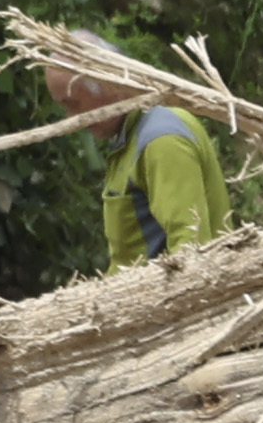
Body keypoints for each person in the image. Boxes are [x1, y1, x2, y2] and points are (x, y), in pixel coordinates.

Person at [53, 58, 235, 270]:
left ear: (112, 86)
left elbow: (191, 248)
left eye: (73, 104)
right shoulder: (130, 137)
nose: (71, 119)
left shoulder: (161, 141)